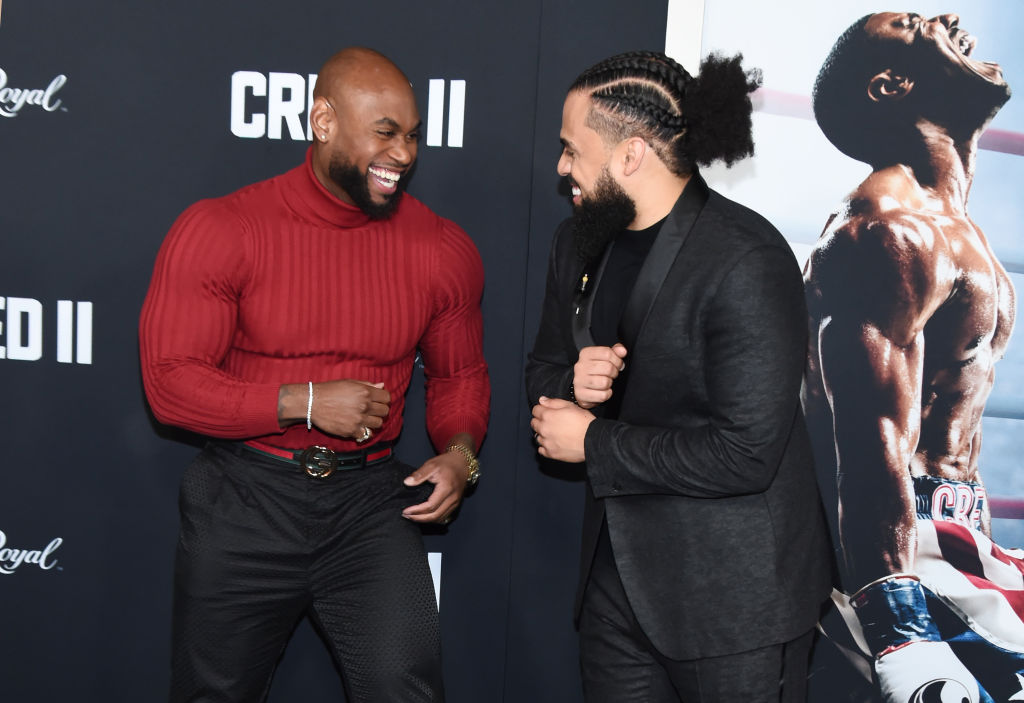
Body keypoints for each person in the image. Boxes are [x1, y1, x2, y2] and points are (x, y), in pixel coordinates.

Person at [139, 47, 488, 703]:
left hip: (370, 504)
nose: (405, 153)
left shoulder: (443, 248)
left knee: (404, 685)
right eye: (385, 132)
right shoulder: (222, 229)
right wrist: (301, 402)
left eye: (413, 134)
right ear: (322, 120)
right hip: (245, 497)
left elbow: (459, 374)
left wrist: (459, 453)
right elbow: (170, 384)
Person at [526, 50, 831, 702]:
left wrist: (593, 442)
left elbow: (745, 453)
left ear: (630, 154)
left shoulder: (745, 259)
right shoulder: (574, 243)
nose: (560, 167)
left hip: (737, 601)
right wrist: (568, 386)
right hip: (615, 586)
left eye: (571, 149)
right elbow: (544, 372)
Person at [804, 12, 1024, 703]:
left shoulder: (961, 231)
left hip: (955, 543)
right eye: (916, 23)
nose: (949, 20)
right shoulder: (888, 231)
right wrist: (899, 630)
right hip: (899, 563)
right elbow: (869, 444)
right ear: (891, 84)